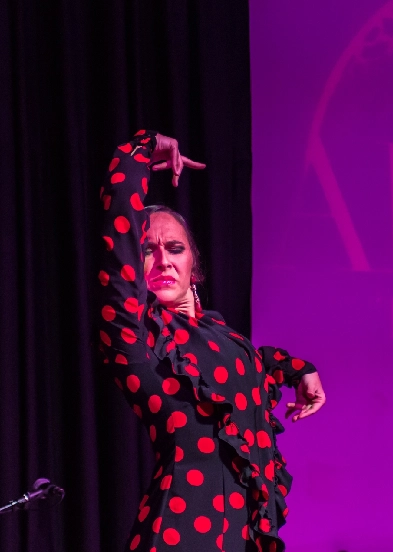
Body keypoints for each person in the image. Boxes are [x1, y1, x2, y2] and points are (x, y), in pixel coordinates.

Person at [96, 130, 326, 552]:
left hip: (241, 537)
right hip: (179, 533)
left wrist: (301, 371)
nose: (163, 259)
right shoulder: (137, 337)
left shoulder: (223, 338)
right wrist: (139, 152)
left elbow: (256, 366)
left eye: (175, 248)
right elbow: (119, 235)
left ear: (194, 265)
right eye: (147, 250)